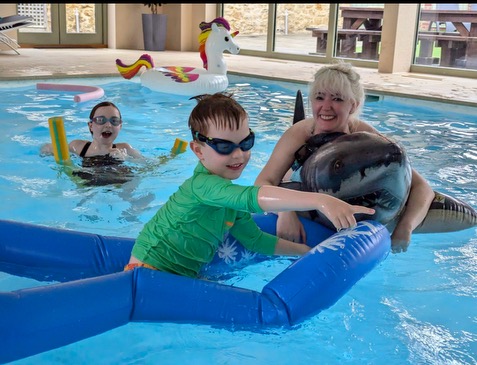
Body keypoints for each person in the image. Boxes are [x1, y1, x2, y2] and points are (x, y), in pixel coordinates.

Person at [125, 93, 375, 277]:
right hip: (148, 270)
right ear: (198, 151)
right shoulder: (202, 186)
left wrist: (307, 252)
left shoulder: (227, 199)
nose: (238, 155)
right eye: (224, 146)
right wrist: (321, 200)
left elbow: (255, 241)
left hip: (179, 275)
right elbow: (254, 198)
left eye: (246, 143)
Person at [254, 62, 435, 254]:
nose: (326, 107)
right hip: (300, 192)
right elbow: (262, 183)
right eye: (319, 97)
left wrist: (405, 227)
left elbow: (422, 187)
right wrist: (285, 212)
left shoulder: (365, 138)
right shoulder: (300, 134)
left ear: (353, 105)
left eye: (337, 99)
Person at [40, 101, 143, 161]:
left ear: (120, 126)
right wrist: (49, 150)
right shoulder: (78, 147)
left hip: (118, 182)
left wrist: (127, 159)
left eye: (114, 121)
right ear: (91, 126)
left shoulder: (125, 149)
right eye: (100, 120)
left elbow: (151, 167)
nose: (108, 125)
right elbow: (46, 149)